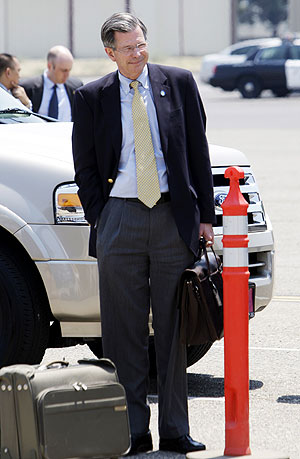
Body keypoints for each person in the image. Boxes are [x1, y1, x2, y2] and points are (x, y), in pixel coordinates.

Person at [72, 12, 215, 456]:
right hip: (120, 219)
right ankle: (133, 430)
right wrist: (101, 215)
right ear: (109, 52)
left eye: (141, 45)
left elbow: (197, 149)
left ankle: (175, 429)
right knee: (122, 332)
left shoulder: (179, 82)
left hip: (173, 217)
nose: (138, 54)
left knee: (174, 329)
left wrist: (205, 217)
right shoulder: (91, 96)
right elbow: (86, 166)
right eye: (128, 49)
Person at [20, 45, 82, 121]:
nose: (67, 75)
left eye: (69, 70)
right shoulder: (29, 88)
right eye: (63, 70)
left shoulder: (76, 86)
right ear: (50, 66)